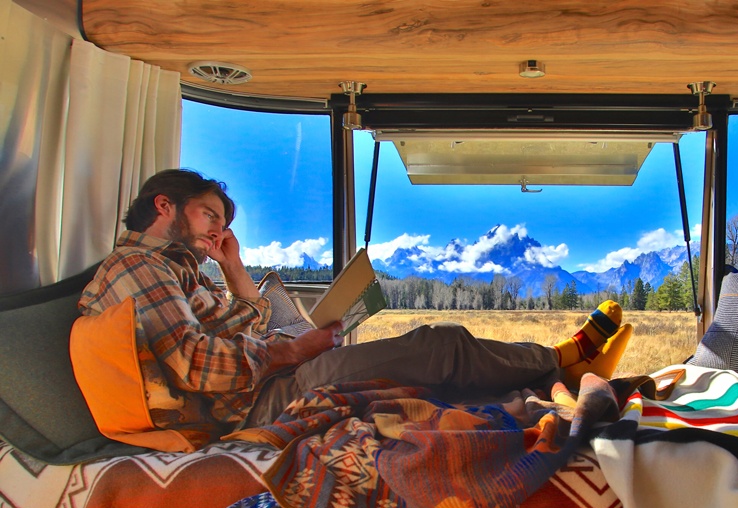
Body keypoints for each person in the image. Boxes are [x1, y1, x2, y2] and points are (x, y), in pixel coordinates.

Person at [79, 169, 632, 446]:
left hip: (266, 385)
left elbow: (243, 324)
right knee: (438, 344)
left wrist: (233, 267)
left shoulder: (178, 274)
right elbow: (197, 366)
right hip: (253, 407)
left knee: (425, 358)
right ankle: (564, 359)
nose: (218, 230)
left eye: (223, 224)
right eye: (208, 216)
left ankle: (553, 366)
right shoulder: (140, 270)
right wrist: (293, 350)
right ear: (164, 206)